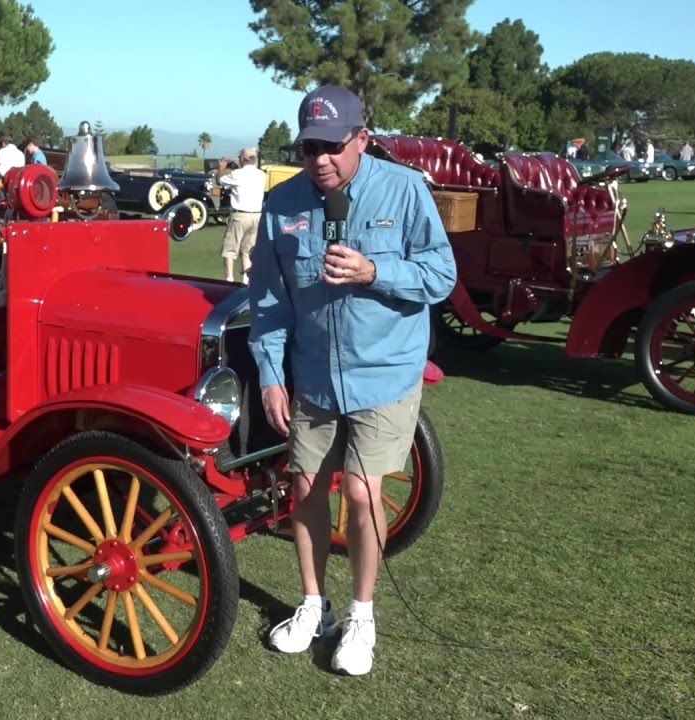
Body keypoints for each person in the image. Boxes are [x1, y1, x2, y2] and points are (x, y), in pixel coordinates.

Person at [247, 85, 457, 676]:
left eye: (333, 146)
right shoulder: (281, 203)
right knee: (305, 489)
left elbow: (441, 275)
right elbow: (268, 300)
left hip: (384, 374)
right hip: (313, 376)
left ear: (361, 138)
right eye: (310, 146)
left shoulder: (405, 189)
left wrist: (374, 270)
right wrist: (270, 375)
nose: (321, 159)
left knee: (363, 493)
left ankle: (362, 615)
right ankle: (314, 604)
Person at [216, 147, 267, 283]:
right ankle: (246, 281)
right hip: (256, 216)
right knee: (247, 250)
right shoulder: (261, 175)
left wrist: (221, 168)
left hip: (240, 215)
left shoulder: (237, 174)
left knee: (229, 250)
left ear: (242, 159)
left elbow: (220, 180)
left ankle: (229, 279)